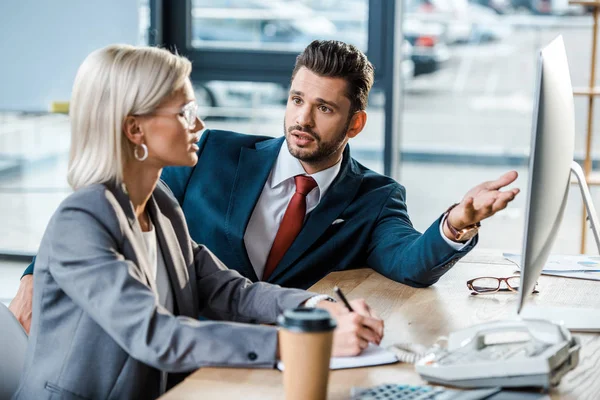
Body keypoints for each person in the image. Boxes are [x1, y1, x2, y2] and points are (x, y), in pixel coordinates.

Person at [10, 40, 519, 332]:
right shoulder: (208, 151)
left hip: (281, 346)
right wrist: (38, 271)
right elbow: (112, 204)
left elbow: (409, 262)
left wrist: (457, 222)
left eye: (323, 108)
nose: (302, 118)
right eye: (297, 99)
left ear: (355, 123)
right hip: (185, 337)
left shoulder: (374, 197)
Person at [12, 44, 383, 400]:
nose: (200, 124)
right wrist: (303, 342)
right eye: (184, 112)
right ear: (135, 129)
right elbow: (156, 335)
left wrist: (316, 308)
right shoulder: (82, 219)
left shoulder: (160, 205)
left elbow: (230, 291)